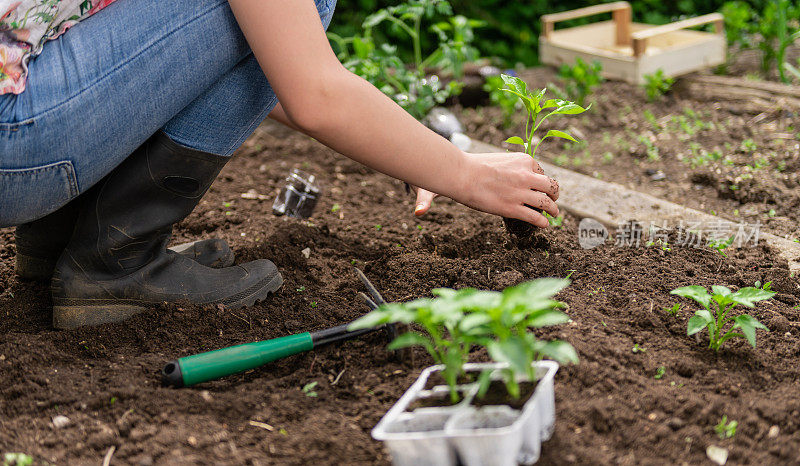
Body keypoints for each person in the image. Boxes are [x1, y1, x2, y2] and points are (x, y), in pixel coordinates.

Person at [0, 0, 560, 329]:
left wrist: (411, 146)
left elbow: (204, 66)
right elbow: (312, 92)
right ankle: (112, 264)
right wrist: (464, 173)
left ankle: (61, 243)